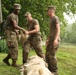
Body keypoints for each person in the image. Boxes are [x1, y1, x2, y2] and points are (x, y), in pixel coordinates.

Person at [45, 6, 60, 75]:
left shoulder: (55, 18)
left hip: (54, 40)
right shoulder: (51, 19)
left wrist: (56, 39)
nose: (47, 12)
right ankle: (49, 69)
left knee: (52, 55)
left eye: (48, 10)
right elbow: (51, 31)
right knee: (47, 55)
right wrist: (48, 39)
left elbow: (58, 29)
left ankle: (55, 71)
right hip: (51, 40)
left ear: (51, 11)